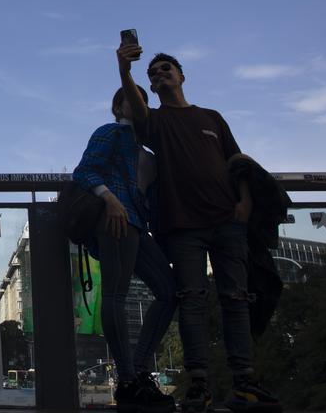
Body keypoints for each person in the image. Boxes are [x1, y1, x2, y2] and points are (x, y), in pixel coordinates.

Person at [117, 44, 282, 413]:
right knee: (192, 300)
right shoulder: (155, 122)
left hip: (227, 221)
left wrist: (245, 202)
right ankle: (200, 384)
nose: (159, 75)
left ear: (181, 76)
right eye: (153, 73)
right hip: (182, 226)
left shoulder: (212, 117)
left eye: (165, 70)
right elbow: (137, 107)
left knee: (236, 301)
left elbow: (237, 161)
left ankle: (244, 382)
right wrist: (124, 70)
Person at [73, 86, 177, 413]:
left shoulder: (147, 149)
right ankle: (129, 379)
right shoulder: (110, 132)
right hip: (115, 219)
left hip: (138, 225)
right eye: (130, 99)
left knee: (169, 291)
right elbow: (84, 170)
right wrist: (110, 199)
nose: (137, 103)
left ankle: (140, 367)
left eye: (142, 100)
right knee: (115, 294)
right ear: (117, 107)